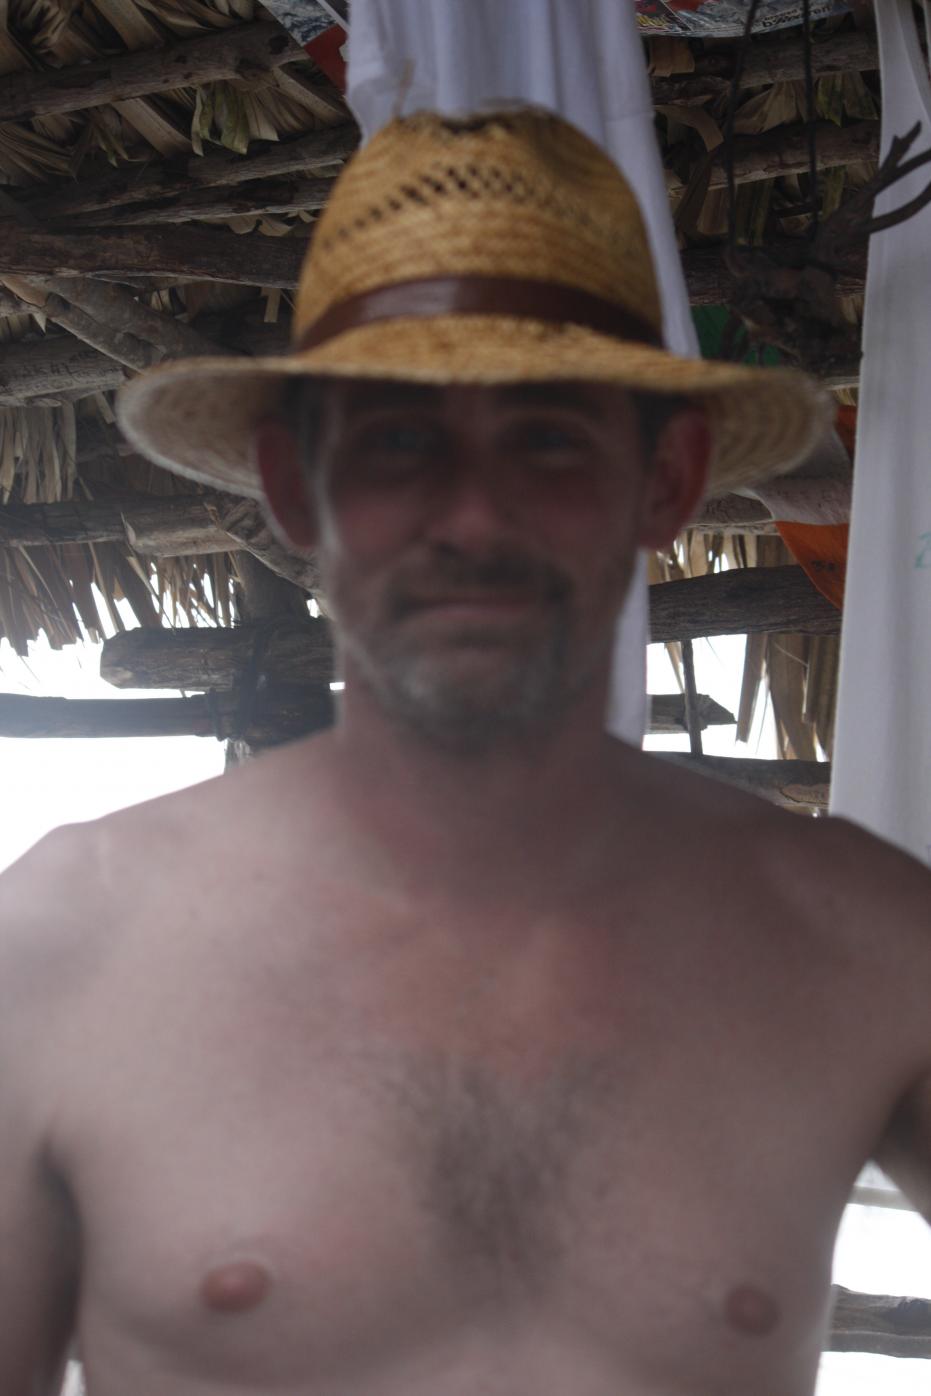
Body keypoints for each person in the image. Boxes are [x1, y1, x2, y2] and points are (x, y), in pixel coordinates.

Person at [2, 108, 929, 1396]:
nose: (474, 515)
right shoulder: (60, 949)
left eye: (547, 438)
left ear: (666, 482)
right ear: (294, 486)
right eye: (398, 441)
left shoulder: (858, 944)